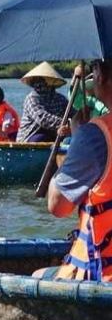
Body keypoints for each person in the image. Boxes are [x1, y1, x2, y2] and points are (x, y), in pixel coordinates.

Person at [36, 60, 112, 281]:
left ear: (100, 76)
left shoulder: (96, 135)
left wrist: (79, 138)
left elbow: (58, 206)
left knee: (37, 275)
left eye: (95, 69)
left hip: (103, 275)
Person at [17, 62, 71, 143]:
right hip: (31, 135)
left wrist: (71, 125)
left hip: (54, 133)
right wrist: (63, 124)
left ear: (51, 82)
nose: (38, 84)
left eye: (42, 80)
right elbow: (43, 118)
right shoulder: (32, 98)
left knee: (70, 139)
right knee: (42, 138)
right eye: (36, 81)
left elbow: (72, 113)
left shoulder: (60, 99)